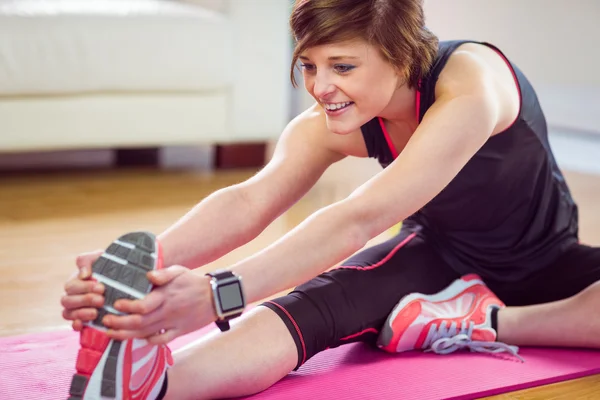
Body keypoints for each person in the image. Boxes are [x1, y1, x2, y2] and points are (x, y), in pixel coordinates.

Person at [61, 0, 600, 399]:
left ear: (401, 55)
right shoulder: (336, 121)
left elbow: (360, 217)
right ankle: (151, 388)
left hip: (546, 260)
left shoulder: (472, 87)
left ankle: (475, 322)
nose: (320, 87)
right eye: (311, 66)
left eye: (343, 67)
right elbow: (252, 200)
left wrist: (217, 293)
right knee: (316, 304)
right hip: (438, 255)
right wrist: (145, 267)